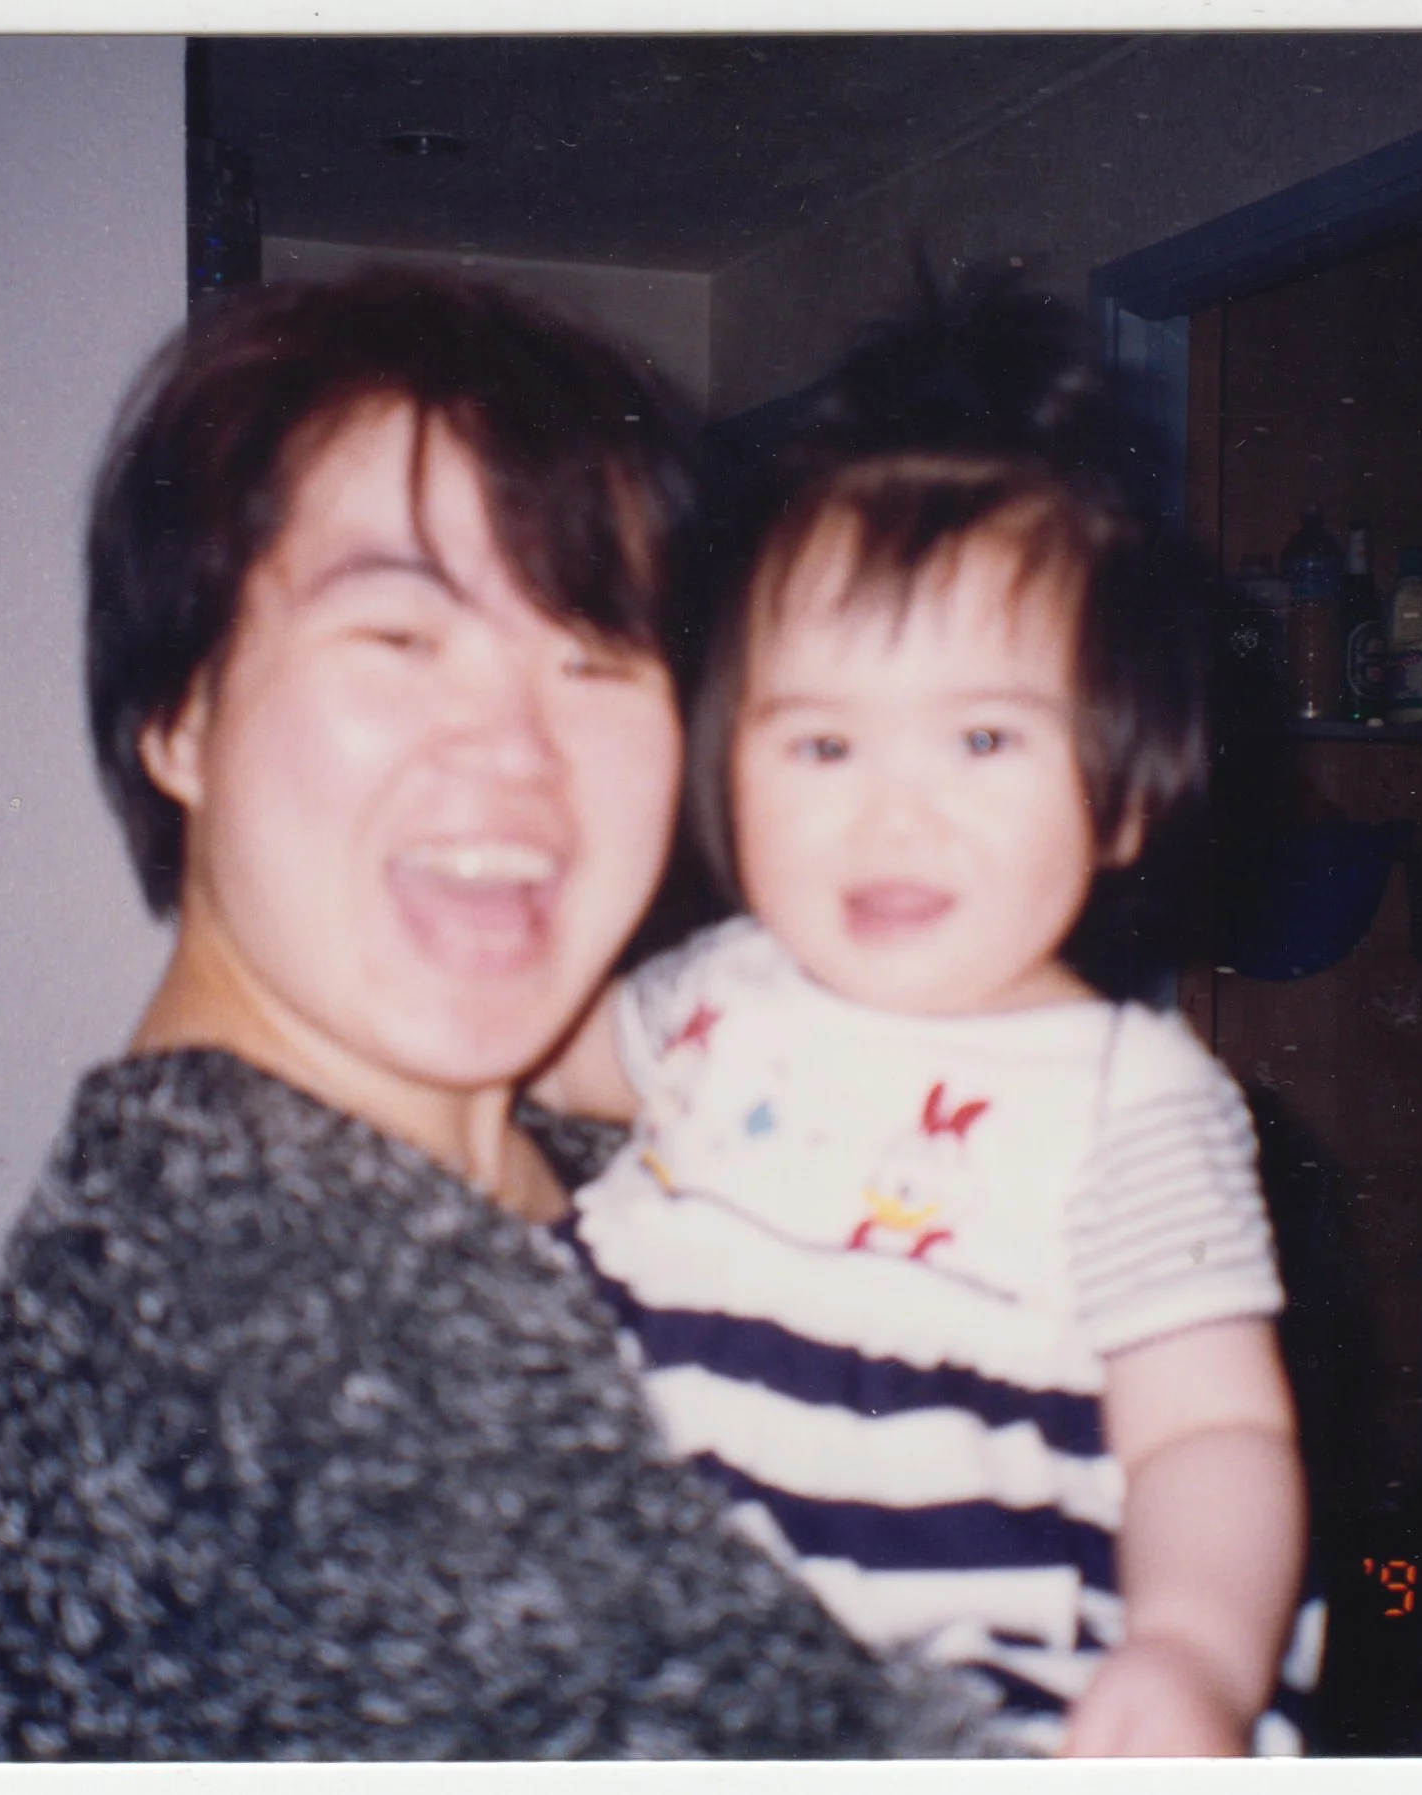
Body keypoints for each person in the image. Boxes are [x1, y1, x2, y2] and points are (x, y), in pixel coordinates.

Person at [0, 271, 1000, 1760]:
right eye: (401, 637)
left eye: (595, 657)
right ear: (179, 710)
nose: (518, 749)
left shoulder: (531, 1163)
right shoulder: (288, 1309)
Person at [536, 283, 1320, 1756]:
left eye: (981, 736)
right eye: (823, 741)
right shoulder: (719, 987)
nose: (893, 810)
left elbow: (1211, 1431)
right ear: (728, 773)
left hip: (951, 1691)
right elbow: (541, 1058)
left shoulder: (1128, 1100)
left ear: (1129, 790)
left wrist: (1195, 1650)